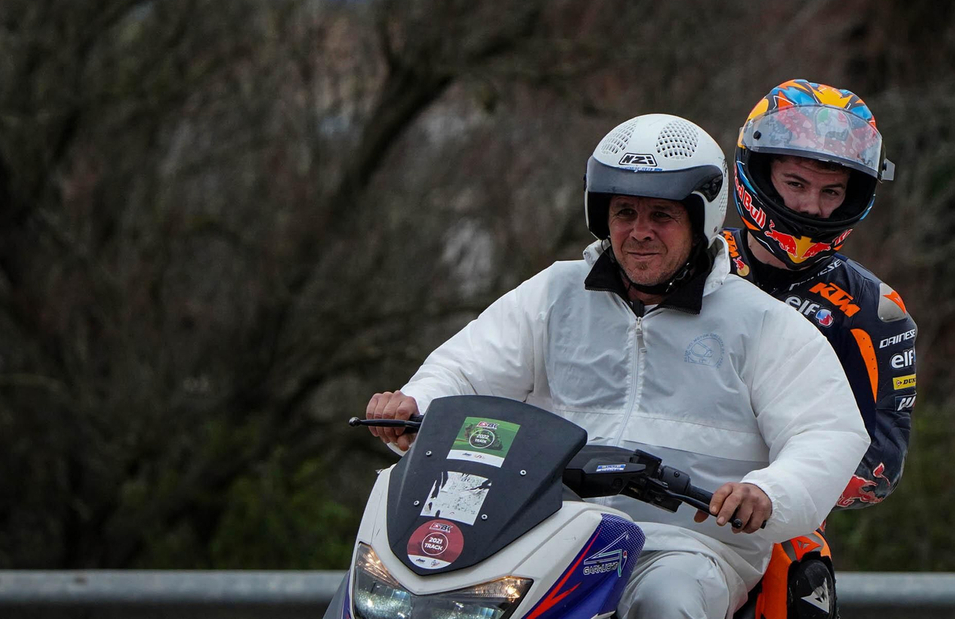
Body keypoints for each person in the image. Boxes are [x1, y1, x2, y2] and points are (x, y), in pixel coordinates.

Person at [364, 113, 868, 619]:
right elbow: (465, 370)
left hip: (684, 546)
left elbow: (827, 433)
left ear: (703, 219)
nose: (639, 231)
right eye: (624, 212)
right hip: (549, 531)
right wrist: (415, 403)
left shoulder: (760, 323)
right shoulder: (555, 292)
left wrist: (767, 493)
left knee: (664, 602)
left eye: (662, 216)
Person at [720, 79, 918, 619]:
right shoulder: (692, 263)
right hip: (647, 502)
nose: (812, 205)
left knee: (797, 575)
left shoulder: (875, 310)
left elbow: (881, 465)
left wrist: (771, 482)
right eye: (796, 183)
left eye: (832, 192)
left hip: (779, 531)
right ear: (758, 173)